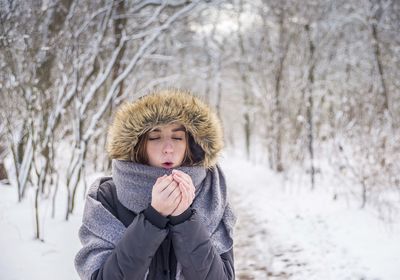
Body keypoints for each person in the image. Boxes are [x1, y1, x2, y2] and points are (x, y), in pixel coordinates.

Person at [75, 89, 236, 280]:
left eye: (177, 138)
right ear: (137, 144)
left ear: (190, 145)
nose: (168, 149)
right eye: (154, 137)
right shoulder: (107, 197)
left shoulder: (211, 194)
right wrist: (152, 218)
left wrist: (184, 219)